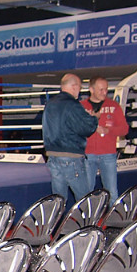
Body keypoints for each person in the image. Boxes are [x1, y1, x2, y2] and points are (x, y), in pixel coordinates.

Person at [42, 73, 99, 204]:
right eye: (80, 87)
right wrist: (94, 118)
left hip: (52, 155)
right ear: (74, 86)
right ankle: (86, 218)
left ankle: (56, 217)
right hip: (71, 155)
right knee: (84, 200)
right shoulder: (73, 105)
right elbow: (86, 128)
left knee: (59, 200)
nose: (80, 90)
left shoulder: (50, 104)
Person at [81, 76, 129, 205]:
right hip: (87, 154)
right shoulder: (81, 107)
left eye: (106, 89)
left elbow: (124, 129)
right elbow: (73, 129)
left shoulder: (113, 106)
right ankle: (88, 215)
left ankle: (112, 215)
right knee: (86, 192)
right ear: (91, 89)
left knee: (112, 191)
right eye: (101, 89)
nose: (104, 92)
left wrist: (109, 130)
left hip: (108, 154)